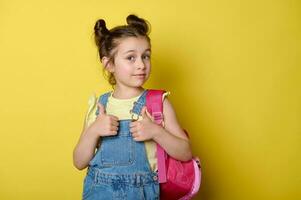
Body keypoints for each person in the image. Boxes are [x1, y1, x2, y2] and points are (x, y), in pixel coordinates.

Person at [73, 14, 192, 200]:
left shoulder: (158, 103)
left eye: (146, 56)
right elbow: (79, 162)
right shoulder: (99, 107)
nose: (141, 65)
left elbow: (185, 153)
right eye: (131, 58)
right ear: (109, 64)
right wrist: (94, 130)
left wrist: (156, 132)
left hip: (142, 192)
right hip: (99, 192)